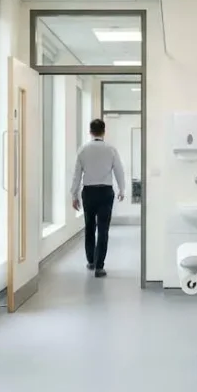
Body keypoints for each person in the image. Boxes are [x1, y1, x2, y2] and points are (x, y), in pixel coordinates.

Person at [71, 118, 125, 278]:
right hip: (106, 192)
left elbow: (76, 175)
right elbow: (119, 171)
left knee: (89, 227)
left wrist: (73, 195)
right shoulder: (111, 150)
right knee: (103, 229)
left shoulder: (83, 150)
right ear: (104, 131)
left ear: (90, 131)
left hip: (88, 192)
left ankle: (91, 261)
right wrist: (122, 189)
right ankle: (100, 266)